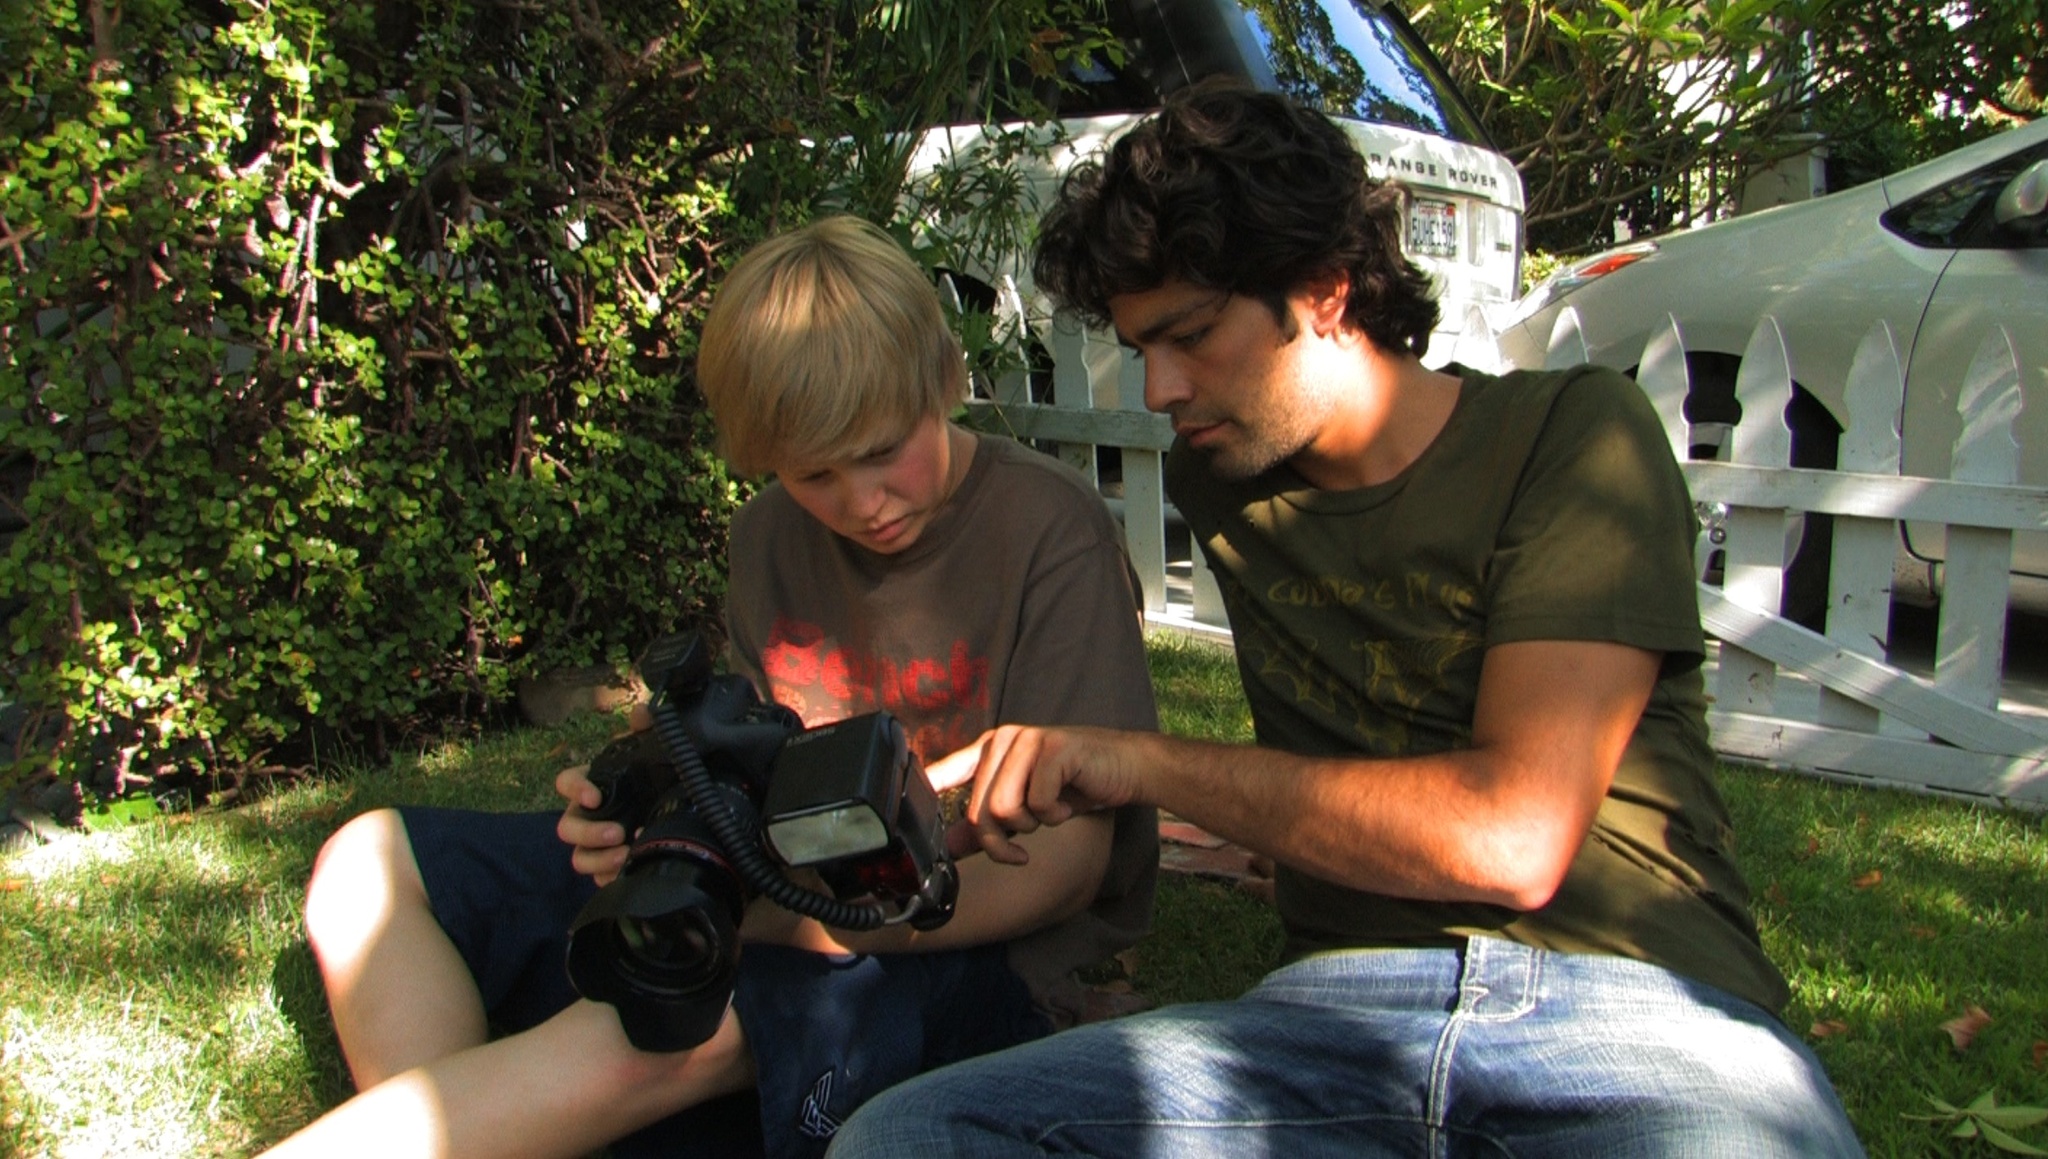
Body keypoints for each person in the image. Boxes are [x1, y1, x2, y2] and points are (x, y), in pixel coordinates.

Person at [827, 82, 1866, 1157]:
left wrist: (1131, 761)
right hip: (1329, 1024)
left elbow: (1509, 839)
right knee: (913, 1134)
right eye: (1141, 347)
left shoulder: (1570, 437)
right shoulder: (1222, 475)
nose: (1157, 390)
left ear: (1325, 288)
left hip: (1631, 1008)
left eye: (1187, 336)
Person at [272, 215, 1159, 1159]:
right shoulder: (770, 535)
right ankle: (497, 1113)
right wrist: (652, 804)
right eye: (816, 471)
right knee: (373, 860)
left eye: (884, 448)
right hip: (785, 894)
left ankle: (498, 1109)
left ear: (944, 379)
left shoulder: (1050, 531)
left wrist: (792, 926)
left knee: (650, 1022)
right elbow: (761, 765)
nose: (865, 501)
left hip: (967, 947)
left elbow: (1070, 869)